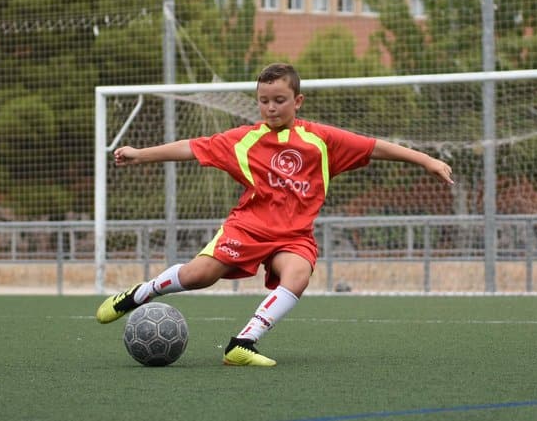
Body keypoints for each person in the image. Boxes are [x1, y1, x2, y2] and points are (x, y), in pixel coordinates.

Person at [96, 63, 454, 366]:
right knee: (198, 276)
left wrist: (427, 160)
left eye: (279, 100)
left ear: (297, 101)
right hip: (248, 228)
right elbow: (191, 147)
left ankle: (242, 344)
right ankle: (139, 295)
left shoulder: (321, 141)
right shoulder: (244, 140)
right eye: (264, 101)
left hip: (294, 236)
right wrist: (140, 153)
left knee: (298, 274)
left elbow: (375, 146)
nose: (270, 108)